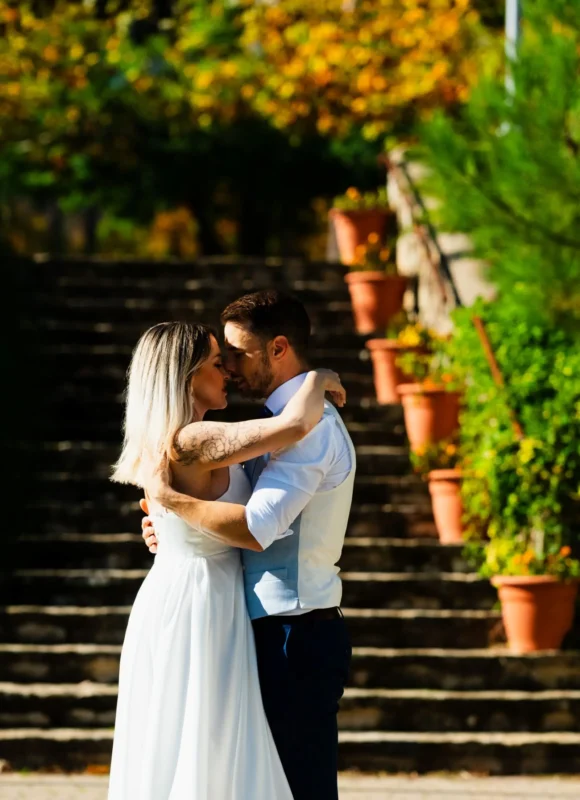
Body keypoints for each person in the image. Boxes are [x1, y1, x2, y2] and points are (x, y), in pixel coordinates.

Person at [108, 318, 345, 800]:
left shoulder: (181, 440)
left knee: (197, 744)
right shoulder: (191, 440)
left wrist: (167, 521)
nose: (229, 373)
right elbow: (295, 426)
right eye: (218, 364)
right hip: (200, 602)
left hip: (197, 590)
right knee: (205, 742)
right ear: (188, 375)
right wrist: (318, 378)